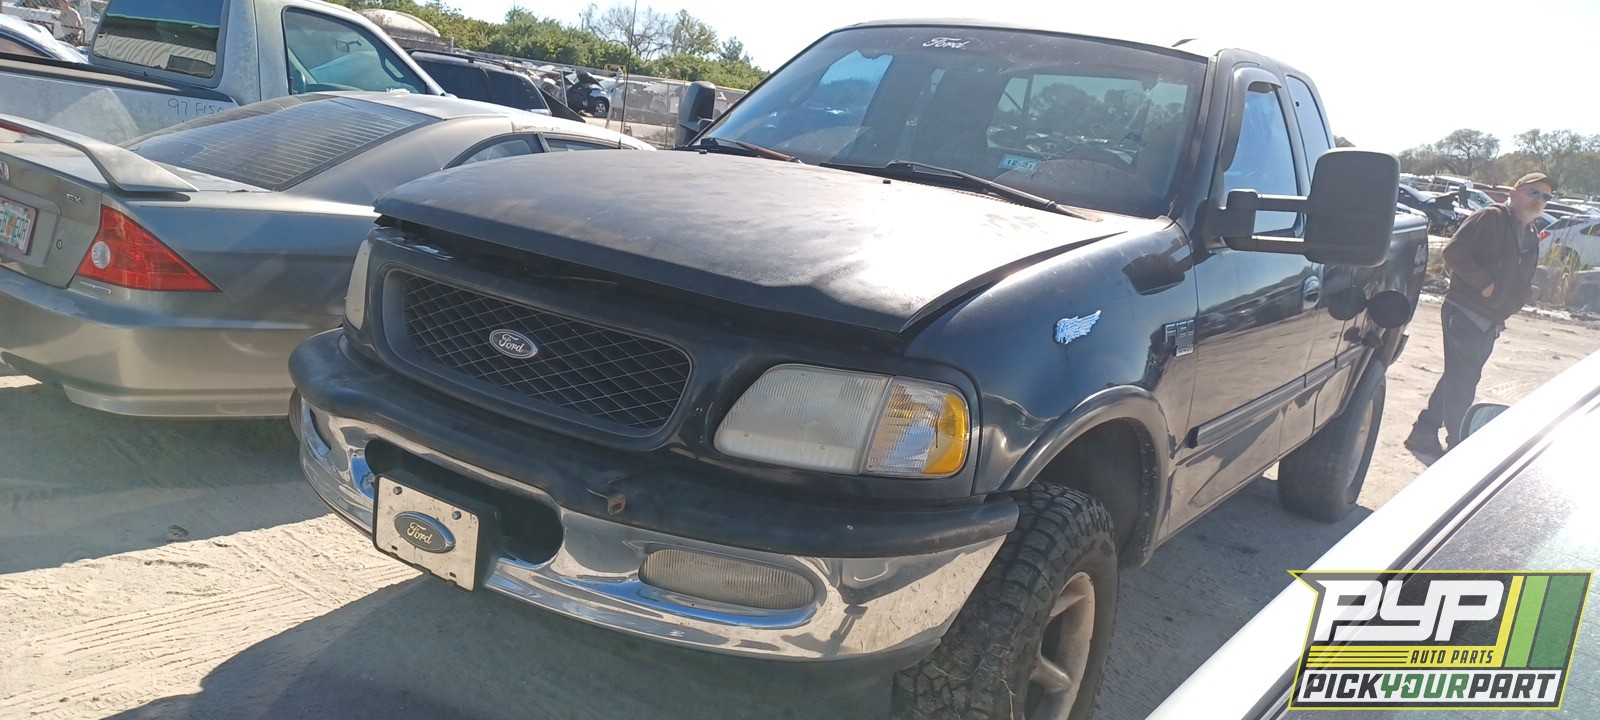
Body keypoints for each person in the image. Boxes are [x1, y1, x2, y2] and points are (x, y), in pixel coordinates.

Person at [1405, 172, 1556, 457]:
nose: (1539, 200)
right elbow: (1454, 251)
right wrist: (1485, 284)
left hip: (1492, 319)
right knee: (1464, 379)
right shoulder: (1490, 218)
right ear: (1514, 192)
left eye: (1545, 197)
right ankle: (1459, 445)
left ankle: (1423, 432)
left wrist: (1523, 294)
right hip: (1465, 312)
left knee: (1459, 376)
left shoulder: (1531, 234)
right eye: (1533, 192)